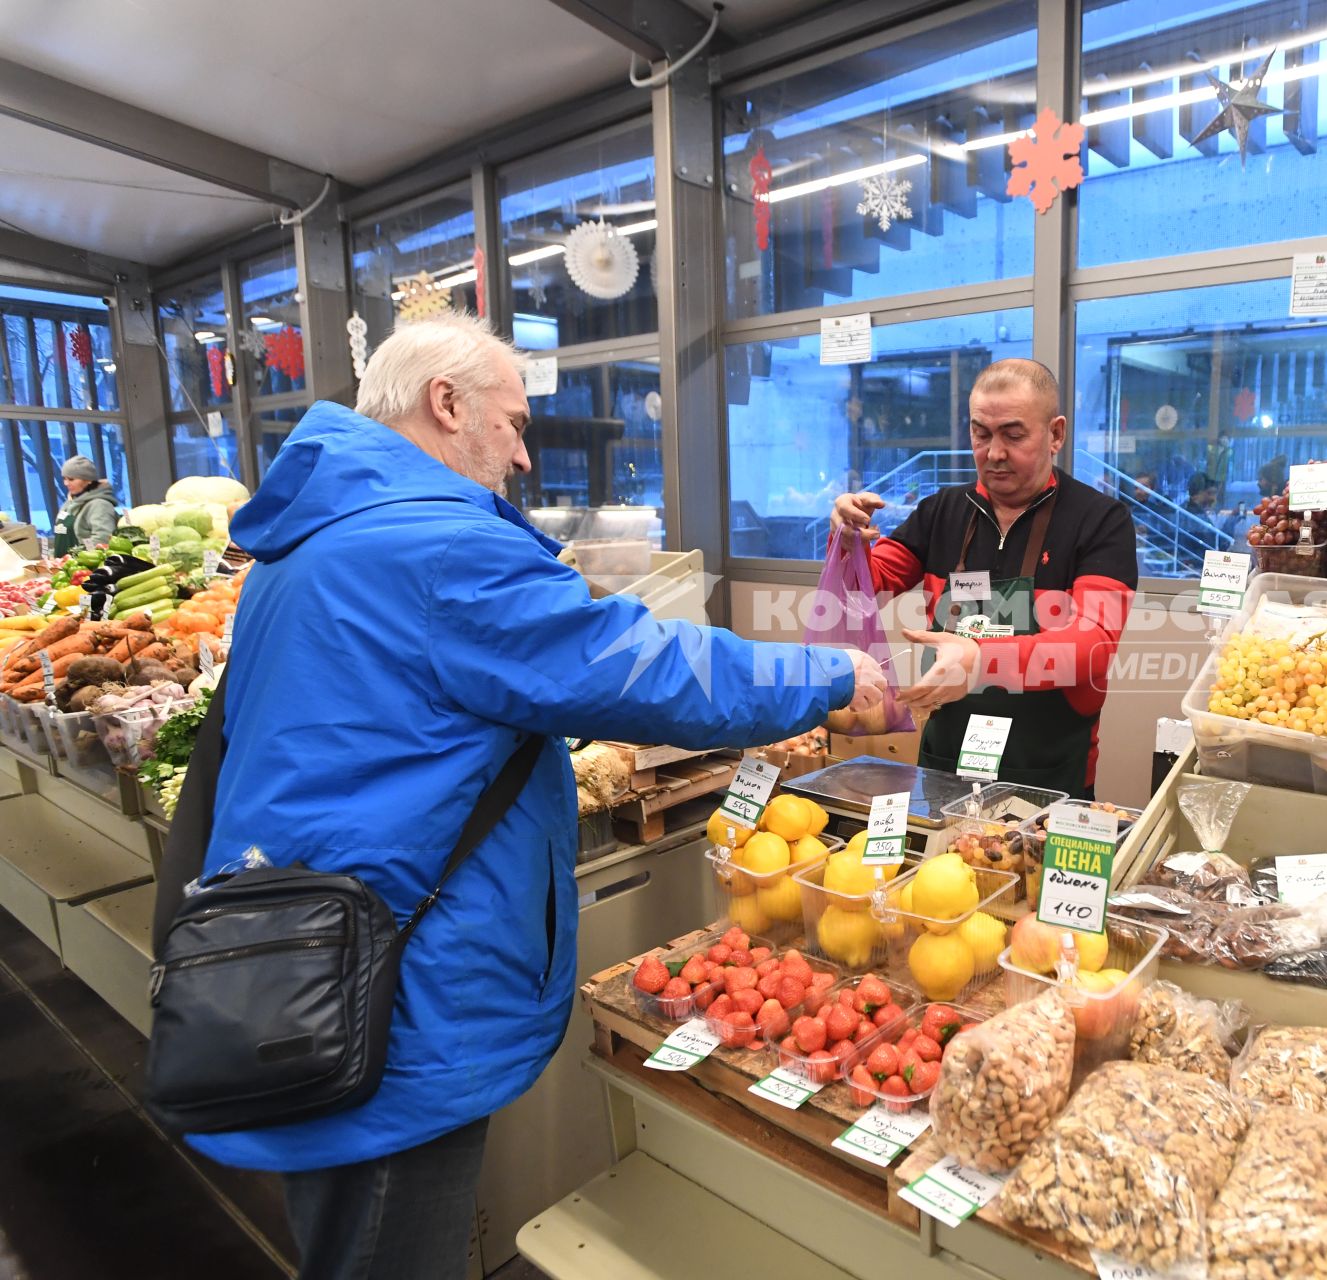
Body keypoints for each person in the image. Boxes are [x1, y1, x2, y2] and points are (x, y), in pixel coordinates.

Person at [182, 314, 884, 1280]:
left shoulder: (312, 535)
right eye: (512, 423)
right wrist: (834, 676)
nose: (519, 453)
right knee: (390, 1248)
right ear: (444, 403)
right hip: (387, 984)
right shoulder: (430, 547)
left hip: (308, 955)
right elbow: (638, 669)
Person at [832, 358, 1139, 798]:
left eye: (1013, 435)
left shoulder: (1100, 521)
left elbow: (1094, 645)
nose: (994, 453)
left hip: (1051, 767)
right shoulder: (940, 513)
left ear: (1056, 434)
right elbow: (862, 590)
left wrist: (980, 661)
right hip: (946, 760)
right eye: (981, 434)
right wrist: (846, 545)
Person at [50, 454, 119, 555]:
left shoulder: (99, 505)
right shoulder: (69, 503)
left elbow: (103, 539)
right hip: (61, 565)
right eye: (64, 479)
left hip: (83, 567)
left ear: (88, 480)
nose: (66, 483)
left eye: (71, 479)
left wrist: (80, 554)